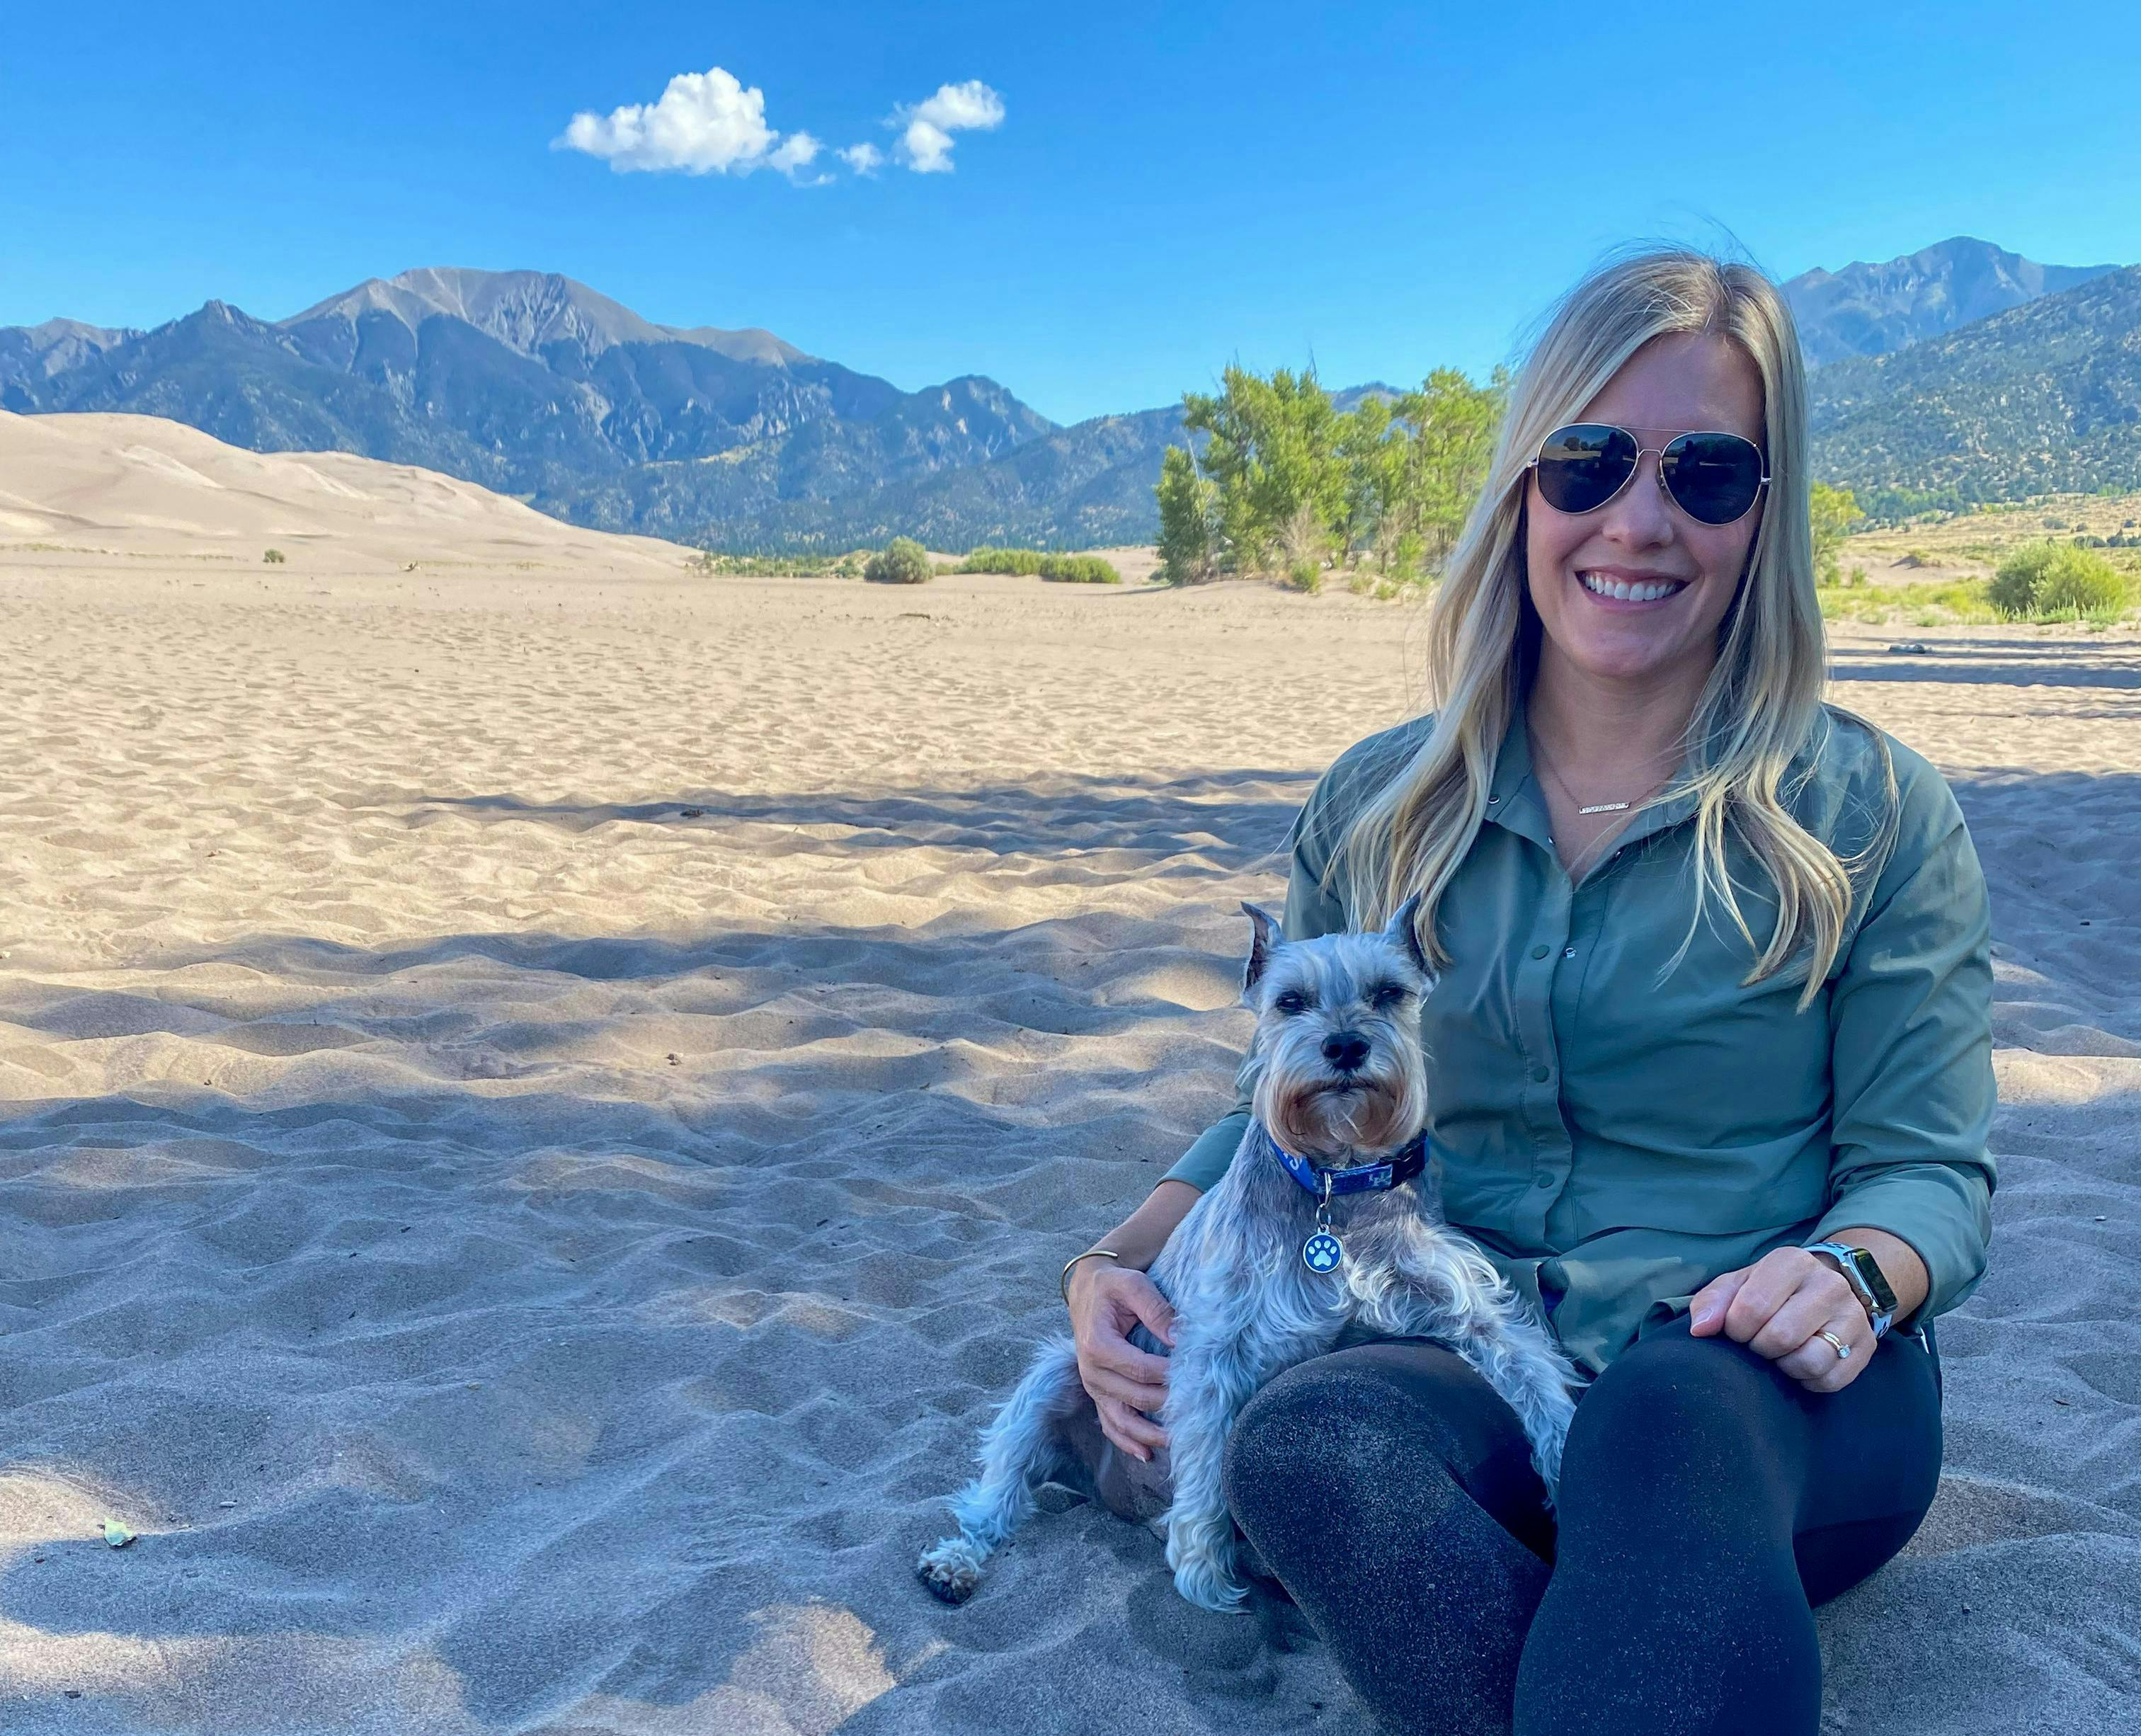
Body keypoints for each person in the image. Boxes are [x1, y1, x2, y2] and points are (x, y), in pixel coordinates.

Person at [1058, 246, 1995, 1736]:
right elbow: (1301, 1096)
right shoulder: (1375, 806)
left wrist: (1857, 1270)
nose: (1637, 517)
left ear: (1767, 511)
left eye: (1706, 472)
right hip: (1465, 1355)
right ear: (1522, 490)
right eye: (1587, 461)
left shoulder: (1873, 809)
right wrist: (1111, 1259)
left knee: (1663, 1414)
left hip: (1758, 1390)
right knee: (1308, 1441)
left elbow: (1929, 1168)